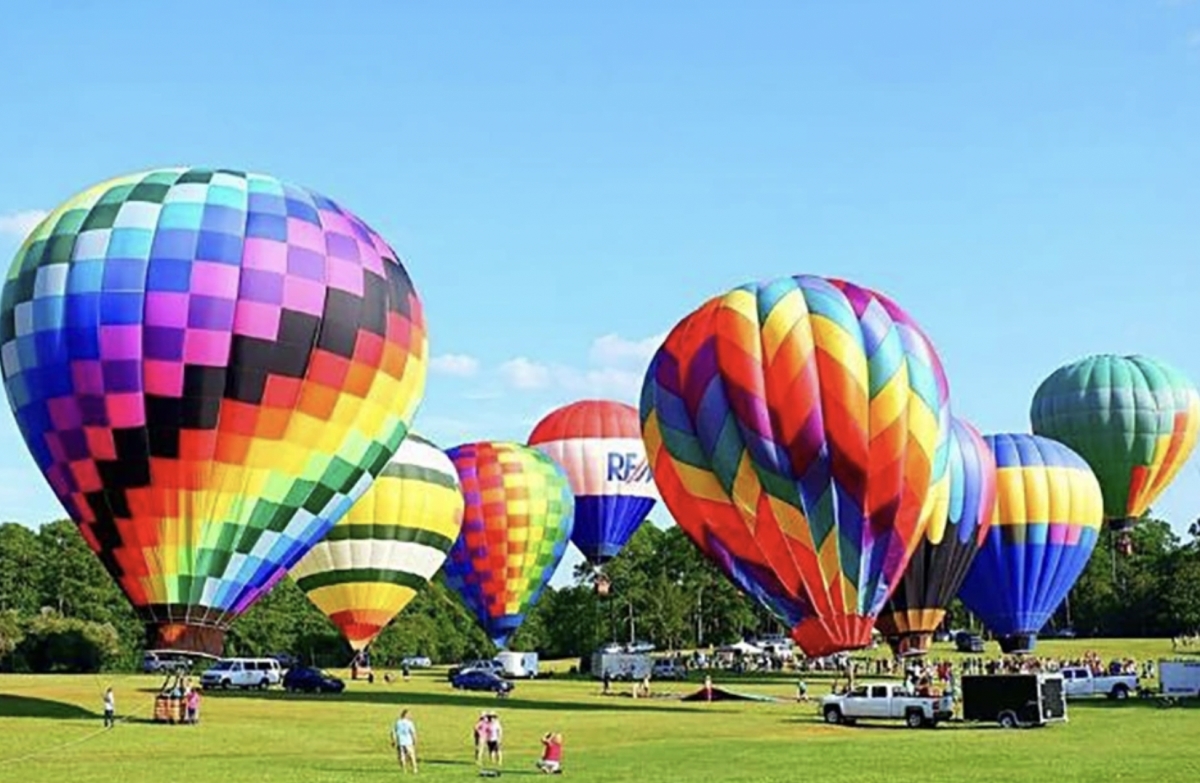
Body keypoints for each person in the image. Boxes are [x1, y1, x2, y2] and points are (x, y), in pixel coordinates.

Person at [391, 709, 418, 773]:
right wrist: (415, 740)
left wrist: (393, 740)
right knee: (411, 756)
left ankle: (404, 769)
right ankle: (414, 768)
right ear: (406, 715)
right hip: (408, 742)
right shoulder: (409, 723)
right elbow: (413, 732)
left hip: (400, 741)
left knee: (402, 756)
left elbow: (393, 732)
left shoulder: (398, 722)